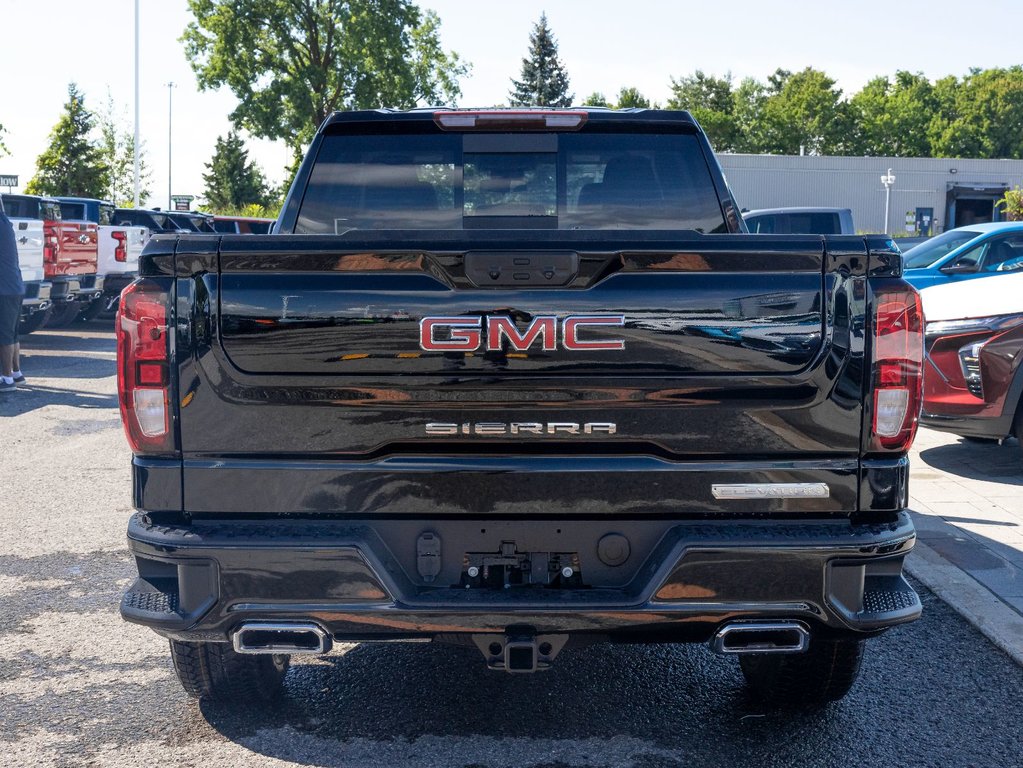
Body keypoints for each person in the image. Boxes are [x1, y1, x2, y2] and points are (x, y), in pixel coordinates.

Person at [0, 195, 26, 393]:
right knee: (12, 334)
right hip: (15, 286)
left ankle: (6, 378)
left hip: (4, 289)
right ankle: (16, 373)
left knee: (4, 336)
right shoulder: (5, 223)